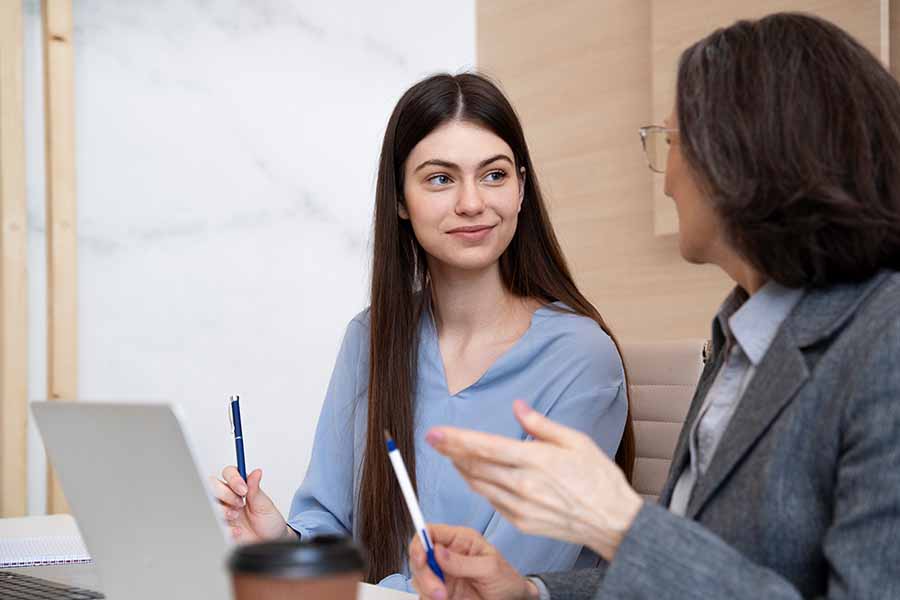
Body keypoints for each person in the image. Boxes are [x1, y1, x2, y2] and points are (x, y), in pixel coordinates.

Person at [409, 13, 900, 600]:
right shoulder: (737, 340)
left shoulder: (884, 349)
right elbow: (673, 576)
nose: (667, 182)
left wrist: (623, 525)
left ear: (744, 159)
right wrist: (532, 593)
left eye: (673, 144)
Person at [211, 72, 635, 591]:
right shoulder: (370, 338)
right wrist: (284, 543)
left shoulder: (581, 357)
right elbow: (331, 528)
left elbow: (492, 582)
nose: (472, 203)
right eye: (440, 179)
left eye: (494, 175)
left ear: (522, 189)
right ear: (399, 201)